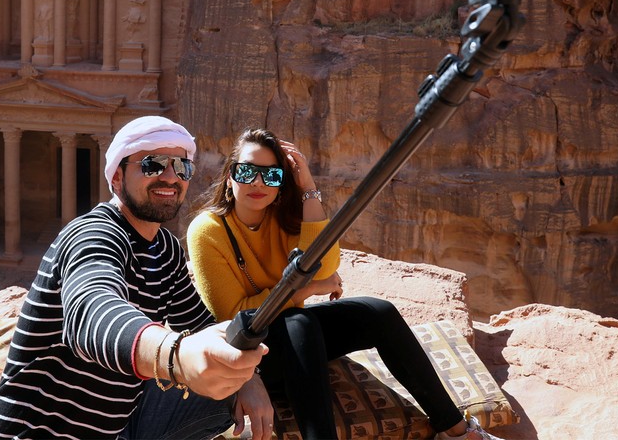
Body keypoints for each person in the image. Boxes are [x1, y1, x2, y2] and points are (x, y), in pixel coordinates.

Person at [186, 127, 504, 440]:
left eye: (271, 176)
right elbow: (236, 315)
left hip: (296, 341)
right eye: (247, 172)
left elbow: (325, 264)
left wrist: (308, 185)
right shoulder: (207, 230)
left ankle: (455, 429)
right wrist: (308, 289)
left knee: (377, 313)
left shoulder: (281, 219)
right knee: (300, 322)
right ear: (230, 176)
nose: (258, 182)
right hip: (248, 356)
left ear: (281, 184)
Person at [0, 116, 273, 440]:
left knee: (257, 364)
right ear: (118, 176)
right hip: (36, 434)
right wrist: (176, 355)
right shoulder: (93, 234)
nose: (170, 177)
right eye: (153, 164)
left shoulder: (165, 249)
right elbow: (93, 310)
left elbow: (199, 324)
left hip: (120, 427)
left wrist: (249, 380)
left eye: (182, 167)